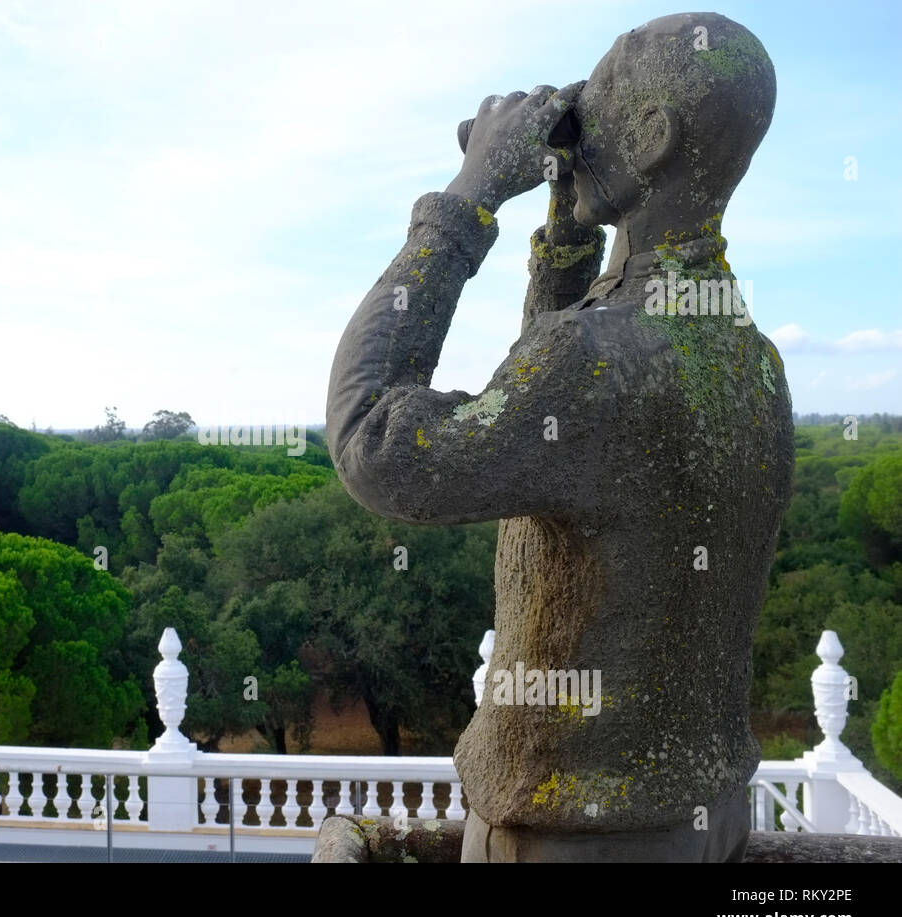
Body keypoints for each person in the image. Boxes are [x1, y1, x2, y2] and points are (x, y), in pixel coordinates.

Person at [325, 12, 793, 862]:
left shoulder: (597, 361)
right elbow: (555, 414)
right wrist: (569, 222)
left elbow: (374, 440)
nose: (579, 104)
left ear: (650, 137)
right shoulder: (744, 353)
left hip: (575, 831)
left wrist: (465, 202)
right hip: (703, 813)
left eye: (603, 87)